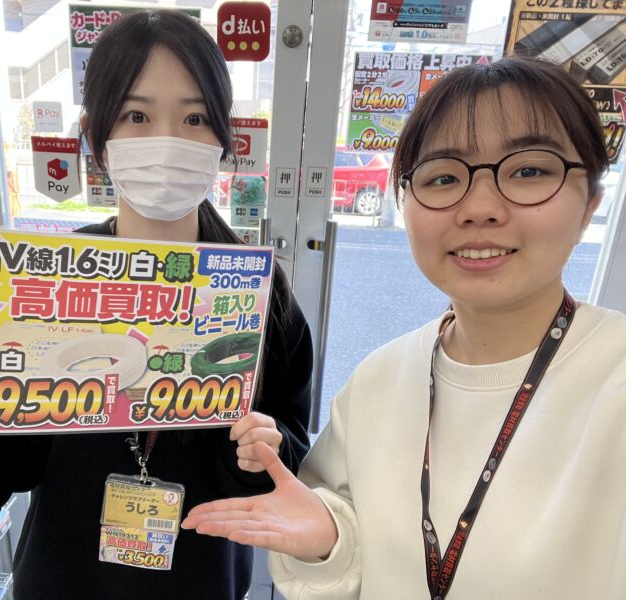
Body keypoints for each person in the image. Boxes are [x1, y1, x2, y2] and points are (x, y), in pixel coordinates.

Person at [0, 11, 312, 600]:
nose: (167, 140)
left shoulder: (262, 296)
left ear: (224, 139)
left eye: (195, 117)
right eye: (136, 115)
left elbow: (291, 455)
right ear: (96, 135)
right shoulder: (48, 281)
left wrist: (264, 452)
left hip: (198, 583)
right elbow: (2, 466)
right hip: (61, 580)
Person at [183, 56, 626, 599]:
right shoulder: (379, 379)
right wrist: (330, 543)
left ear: (590, 203)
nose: (480, 207)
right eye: (444, 177)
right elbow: (341, 551)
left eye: (529, 171)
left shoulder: (614, 378)